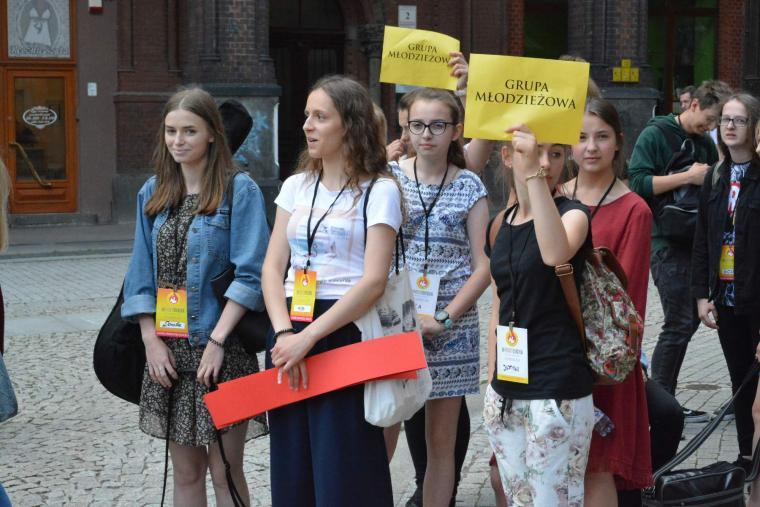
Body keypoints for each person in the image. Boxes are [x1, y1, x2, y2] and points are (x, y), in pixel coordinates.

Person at [121, 87, 269, 507]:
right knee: (186, 474)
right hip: (169, 354)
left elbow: (252, 274)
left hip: (223, 350)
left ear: (211, 135)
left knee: (225, 471)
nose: (178, 140)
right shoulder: (154, 191)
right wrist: (150, 339)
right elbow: (139, 273)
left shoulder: (239, 190)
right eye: (171, 131)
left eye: (189, 131)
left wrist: (218, 340)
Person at [261, 75, 402, 507]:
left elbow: (374, 280)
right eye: (307, 115)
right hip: (288, 327)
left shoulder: (380, 190)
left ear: (351, 124)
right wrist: (284, 333)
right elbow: (272, 267)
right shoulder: (295, 186)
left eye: (320, 116)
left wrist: (309, 337)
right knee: (292, 462)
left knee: (343, 466)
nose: (308, 125)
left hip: (342, 329)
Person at [389, 87, 490, 507]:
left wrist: (445, 317)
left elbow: (482, 266)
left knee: (440, 444)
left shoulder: (470, 186)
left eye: (437, 125)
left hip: (451, 327)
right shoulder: (388, 177)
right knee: (381, 429)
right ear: (405, 127)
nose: (426, 134)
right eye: (418, 125)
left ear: (456, 131)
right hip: (394, 322)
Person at [485, 122, 594, 505]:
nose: (545, 162)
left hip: (556, 386)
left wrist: (532, 173)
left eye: (555, 153)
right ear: (506, 156)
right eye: (533, 151)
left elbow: (554, 253)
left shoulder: (574, 215)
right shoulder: (500, 223)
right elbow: (499, 301)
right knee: (519, 500)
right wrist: (492, 380)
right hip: (507, 388)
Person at [561, 98, 653, 506]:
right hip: (551, 350)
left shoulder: (634, 209)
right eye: (581, 137)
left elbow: (627, 300)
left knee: (597, 469)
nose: (591, 147)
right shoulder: (553, 197)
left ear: (618, 142)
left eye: (601, 137)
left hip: (601, 359)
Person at [628, 80, 732, 423]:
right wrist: (687, 177)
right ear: (694, 105)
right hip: (664, 241)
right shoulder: (655, 135)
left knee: (687, 322)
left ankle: (663, 403)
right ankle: (659, 406)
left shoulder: (705, 144)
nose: (711, 127)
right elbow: (637, 183)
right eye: (711, 119)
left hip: (694, 242)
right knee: (679, 321)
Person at [692, 92, 760, 474]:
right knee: (740, 380)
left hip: (756, 296)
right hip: (727, 297)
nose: (730, 126)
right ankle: (747, 457)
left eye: (740, 120)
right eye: (725, 120)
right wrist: (702, 295)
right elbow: (702, 239)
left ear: (755, 127)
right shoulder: (716, 176)